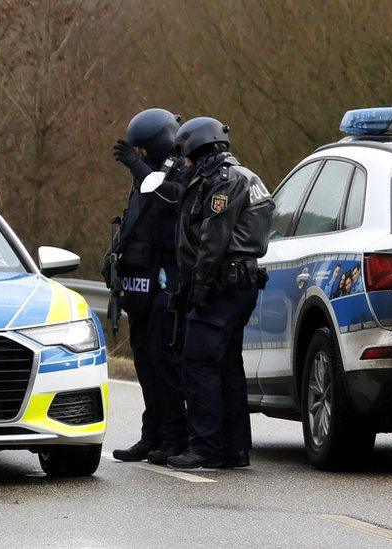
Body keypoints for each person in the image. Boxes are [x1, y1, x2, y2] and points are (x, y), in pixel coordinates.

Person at [161, 116, 274, 470]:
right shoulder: (243, 176)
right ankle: (234, 447)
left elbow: (213, 240)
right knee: (226, 365)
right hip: (238, 284)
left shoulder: (224, 182)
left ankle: (206, 446)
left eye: (187, 155)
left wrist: (198, 290)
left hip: (221, 285)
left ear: (198, 147)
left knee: (198, 362)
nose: (185, 162)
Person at [105, 108, 189, 463]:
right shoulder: (143, 177)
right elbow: (134, 221)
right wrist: (113, 257)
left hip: (165, 279)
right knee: (143, 360)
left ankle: (174, 437)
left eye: (141, 151)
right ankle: (151, 434)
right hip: (139, 282)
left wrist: (140, 169)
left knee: (162, 361)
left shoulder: (180, 170)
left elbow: (171, 199)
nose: (136, 158)